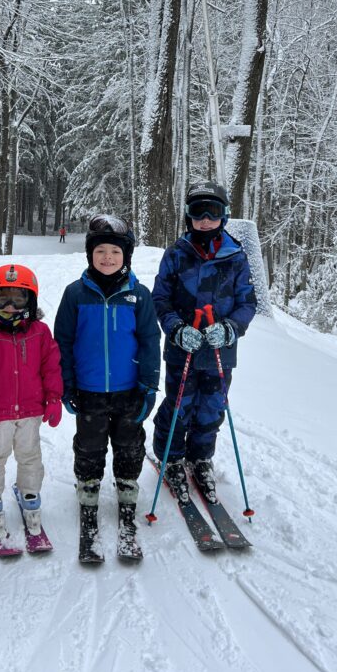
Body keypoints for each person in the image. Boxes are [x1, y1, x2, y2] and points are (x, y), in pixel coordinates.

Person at [54, 214, 160, 558]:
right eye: (100, 251)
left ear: (125, 256)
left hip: (129, 389)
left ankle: (127, 494)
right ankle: (88, 493)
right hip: (89, 389)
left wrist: (149, 386)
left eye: (114, 252)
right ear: (90, 255)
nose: (107, 258)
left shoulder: (138, 295)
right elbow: (63, 342)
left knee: (130, 444)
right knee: (89, 445)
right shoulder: (75, 294)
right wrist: (66, 385)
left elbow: (149, 341)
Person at [151, 181, 256, 501]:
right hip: (182, 349)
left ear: (224, 216)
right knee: (180, 405)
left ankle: (200, 458)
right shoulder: (177, 254)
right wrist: (176, 328)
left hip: (219, 351)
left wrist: (231, 328)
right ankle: (171, 457)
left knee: (211, 406)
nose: (206, 219)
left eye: (213, 212)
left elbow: (247, 303)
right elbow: (161, 298)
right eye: (199, 212)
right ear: (189, 217)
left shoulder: (236, 256)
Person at [0, 264, 62, 539]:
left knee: (30, 456)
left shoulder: (40, 332)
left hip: (31, 411)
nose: (10, 306)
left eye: (18, 299)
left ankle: (31, 497)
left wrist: (54, 398)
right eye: (2, 298)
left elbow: (51, 367)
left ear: (31, 301)